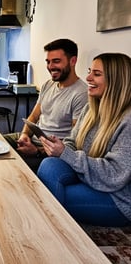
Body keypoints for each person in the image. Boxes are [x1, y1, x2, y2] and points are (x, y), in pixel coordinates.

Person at [37, 53, 131, 227]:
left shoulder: (128, 120)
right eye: (90, 72)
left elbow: (114, 175)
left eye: (96, 74)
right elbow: (73, 141)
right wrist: (60, 147)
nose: (88, 78)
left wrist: (66, 154)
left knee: (52, 194)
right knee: (49, 165)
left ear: (117, 80)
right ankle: (50, 229)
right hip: (88, 177)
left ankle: (50, 234)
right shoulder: (90, 108)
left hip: (117, 196)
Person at [4, 39, 88, 172]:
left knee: (8, 165)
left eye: (56, 61)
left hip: (51, 153)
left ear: (73, 61)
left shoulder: (81, 94)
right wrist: (25, 135)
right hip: (33, 140)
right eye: (48, 62)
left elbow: (75, 142)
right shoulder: (48, 85)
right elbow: (34, 116)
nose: (50, 66)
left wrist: (37, 151)